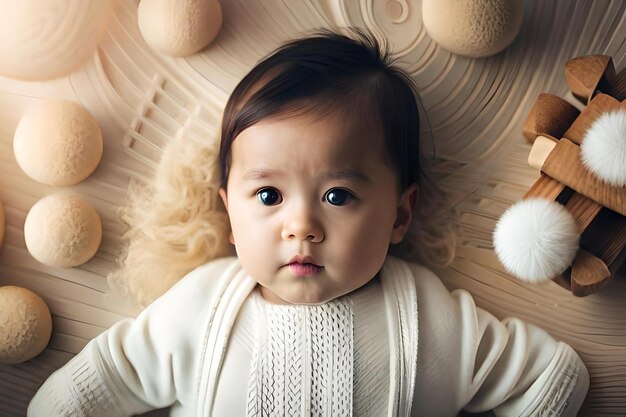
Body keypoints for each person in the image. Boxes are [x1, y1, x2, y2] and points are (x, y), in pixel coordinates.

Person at [28, 28, 589, 417]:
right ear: (229, 211)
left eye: (338, 195)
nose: (301, 225)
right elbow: (87, 390)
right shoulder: (200, 310)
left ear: (400, 214)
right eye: (268, 194)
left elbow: (556, 380)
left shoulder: (433, 320)